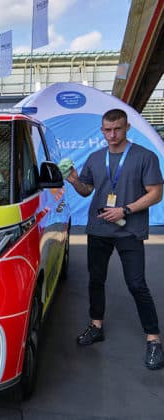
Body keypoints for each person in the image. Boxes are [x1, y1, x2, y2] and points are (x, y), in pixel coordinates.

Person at [65, 108, 163, 370]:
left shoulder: (145, 156)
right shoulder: (96, 158)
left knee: (137, 284)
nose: (112, 134)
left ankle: (153, 340)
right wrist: (75, 181)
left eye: (117, 129)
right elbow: (87, 191)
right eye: (107, 130)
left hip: (129, 231)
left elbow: (155, 193)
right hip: (99, 230)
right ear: (101, 130)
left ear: (127, 127)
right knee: (96, 280)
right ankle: (96, 326)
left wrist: (126, 210)